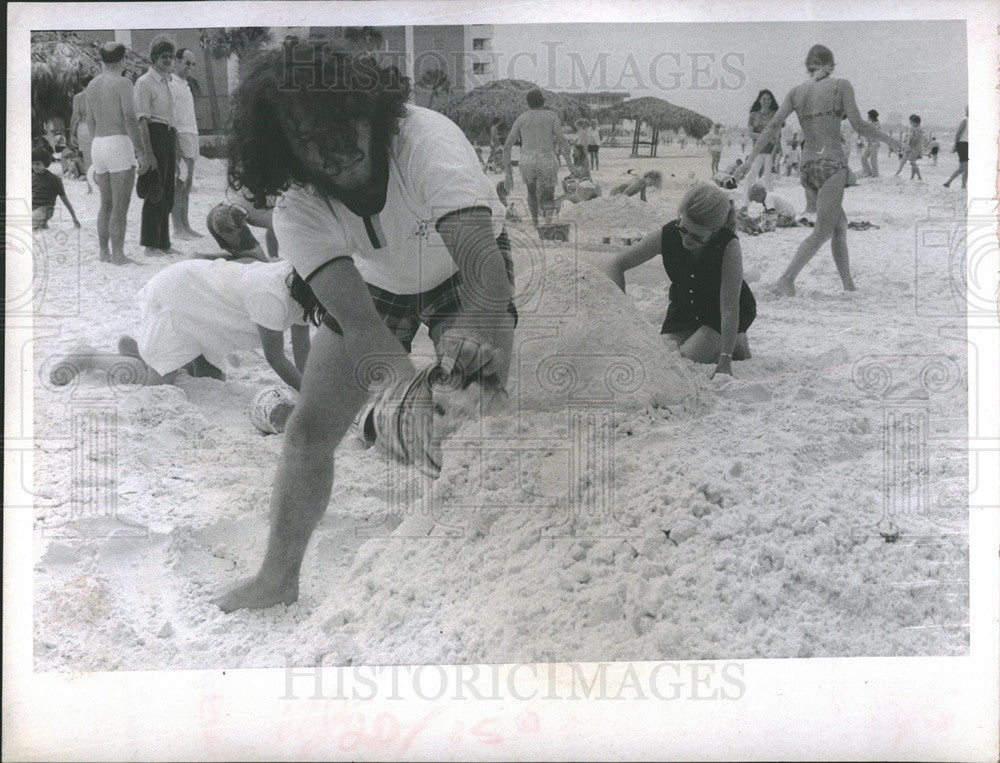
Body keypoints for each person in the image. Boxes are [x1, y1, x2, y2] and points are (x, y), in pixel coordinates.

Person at [213, 47, 517, 611]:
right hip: (373, 283)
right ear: (282, 147)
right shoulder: (294, 206)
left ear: (370, 109)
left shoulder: (425, 139)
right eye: (307, 138)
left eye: (343, 123)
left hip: (465, 269)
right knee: (308, 429)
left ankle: (490, 577)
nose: (335, 151)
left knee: (475, 417)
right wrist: (404, 403)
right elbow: (362, 328)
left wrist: (470, 355)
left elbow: (483, 271)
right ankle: (278, 576)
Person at [736, 44, 900, 296]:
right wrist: (892, 142)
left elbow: (772, 127)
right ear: (831, 64)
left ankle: (848, 284)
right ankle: (786, 279)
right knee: (823, 230)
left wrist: (750, 159)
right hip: (831, 164)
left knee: (839, 225)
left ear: (808, 66)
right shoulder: (840, 85)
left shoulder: (796, 92)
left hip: (808, 166)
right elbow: (858, 124)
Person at [50, 258, 312, 390]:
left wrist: (312, 385)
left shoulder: (301, 288)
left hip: (210, 314)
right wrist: (309, 396)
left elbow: (302, 351)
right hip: (183, 298)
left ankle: (142, 353)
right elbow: (276, 358)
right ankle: (89, 357)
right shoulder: (272, 294)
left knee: (212, 382)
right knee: (155, 383)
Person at [604, 183, 755, 379]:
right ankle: (719, 340)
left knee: (685, 359)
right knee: (662, 356)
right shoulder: (669, 233)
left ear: (714, 231)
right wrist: (623, 315)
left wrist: (725, 360)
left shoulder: (728, 245)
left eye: (696, 236)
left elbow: (729, 308)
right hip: (685, 307)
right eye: (684, 229)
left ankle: (735, 340)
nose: (686, 239)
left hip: (722, 312)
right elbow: (616, 264)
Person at [85, 41, 153, 265]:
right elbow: (129, 119)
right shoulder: (123, 82)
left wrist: (95, 151)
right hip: (118, 142)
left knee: (106, 203)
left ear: (102, 60)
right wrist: (141, 151)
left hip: (98, 143)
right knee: (120, 205)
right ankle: (118, 255)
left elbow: (90, 120)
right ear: (122, 60)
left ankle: (104, 252)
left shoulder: (92, 84)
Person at [134, 35, 179, 256]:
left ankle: (163, 243)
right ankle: (150, 246)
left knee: (168, 192)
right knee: (155, 190)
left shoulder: (167, 82)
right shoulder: (144, 83)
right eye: (164, 57)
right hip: (154, 135)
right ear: (154, 58)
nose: (168, 60)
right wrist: (148, 154)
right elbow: (142, 121)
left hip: (169, 135)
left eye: (171, 57)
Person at [503, 88, 572, 227]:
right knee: (548, 193)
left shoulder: (521, 118)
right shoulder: (551, 116)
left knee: (531, 192)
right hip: (546, 158)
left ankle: (535, 223)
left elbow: (507, 146)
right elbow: (561, 140)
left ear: (527, 103)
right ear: (543, 101)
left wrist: (508, 174)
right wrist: (570, 163)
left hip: (527, 160)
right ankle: (547, 222)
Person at [169, 47, 203, 240]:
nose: (190, 67)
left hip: (192, 135)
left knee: (187, 184)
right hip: (181, 135)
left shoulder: (186, 85)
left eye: (193, 64)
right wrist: (177, 146)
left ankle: (186, 225)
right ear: (177, 61)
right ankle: (177, 228)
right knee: (179, 184)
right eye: (187, 63)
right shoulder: (171, 84)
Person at [32, 147, 81, 230]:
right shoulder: (32, 177)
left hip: (45, 209)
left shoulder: (54, 179)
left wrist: (74, 218)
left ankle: (41, 222)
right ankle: (42, 224)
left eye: (38, 164)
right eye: (33, 163)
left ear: (45, 163)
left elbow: (65, 199)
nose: (35, 166)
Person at [746, 89, 779, 190]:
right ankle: (746, 203)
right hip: (757, 151)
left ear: (771, 101)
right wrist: (765, 137)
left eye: (769, 99)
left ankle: (770, 204)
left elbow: (777, 134)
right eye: (764, 99)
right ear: (759, 100)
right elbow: (750, 133)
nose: (766, 101)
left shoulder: (775, 114)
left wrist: (776, 148)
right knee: (750, 177)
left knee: (768, 179)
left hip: (771, 151)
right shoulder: (753, 115)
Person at [68, 76, 94, 193]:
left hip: (84, 127)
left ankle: (90, 187)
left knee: (88, 159)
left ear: (82, 85)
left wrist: (71, 134)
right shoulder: (99, 95)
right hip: (99, 126)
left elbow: (75, 117)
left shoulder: (78, 97)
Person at [944, 107, 968, 188]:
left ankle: (948, 182)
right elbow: (958, 134)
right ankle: (963, 186)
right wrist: (955, 145)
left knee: (961, 168)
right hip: (963, 145)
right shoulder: (965, 120)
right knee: (966, 167)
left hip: (967, 145)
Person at [894, 114, 923, 180]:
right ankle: (898, 173)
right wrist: (904, 144)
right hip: (908, 148)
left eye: (911, 122)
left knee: (912, 162)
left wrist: (910, 146)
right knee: (905, 161)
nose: (910, 123)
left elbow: (916, 140)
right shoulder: (911, 128)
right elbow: (907, 137)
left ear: (915, 122)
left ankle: (917, 176)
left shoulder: (919, 130)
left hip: (914, 149)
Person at [858, 110, 881, 178]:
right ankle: (867, 171)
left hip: (875, 144)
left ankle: (875, 174)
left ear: (872, 116)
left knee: (873, 160)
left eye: (869, 116)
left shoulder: (877, 125)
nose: (868, 117)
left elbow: (875, 134)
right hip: (870, 144)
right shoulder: (871, 124)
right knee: (863, 158)